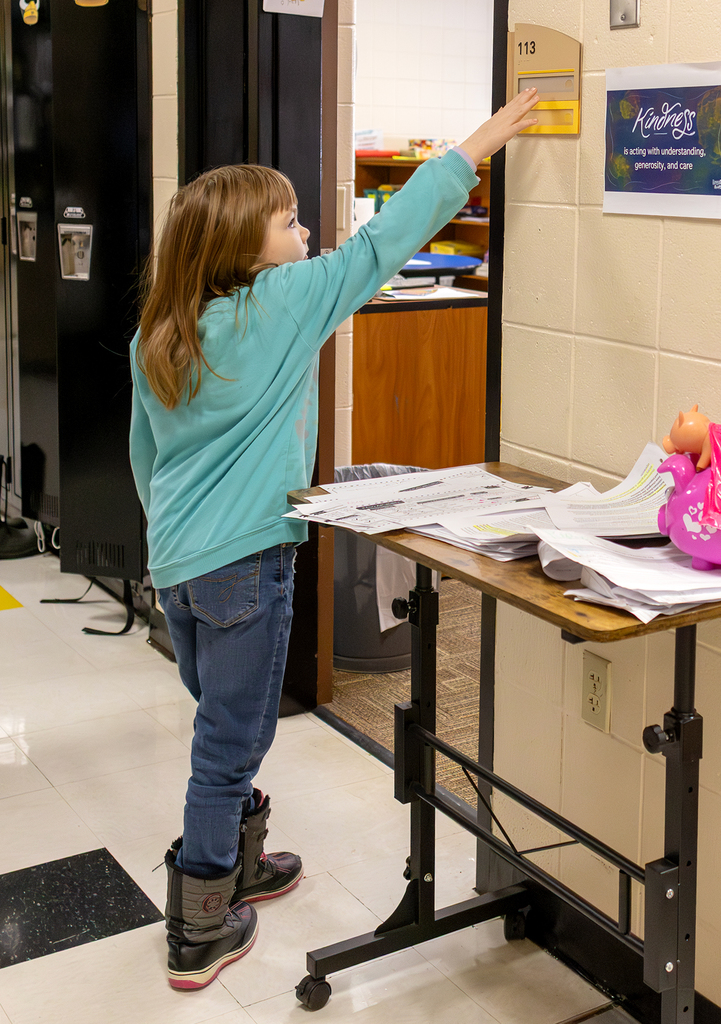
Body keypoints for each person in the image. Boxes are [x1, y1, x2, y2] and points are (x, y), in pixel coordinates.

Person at [128, 88, 540, 992]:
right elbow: (382, 244)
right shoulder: (282, 303)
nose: (305, 231)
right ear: (243, 249)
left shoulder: (161, 331)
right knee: (229, 741)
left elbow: (143, 457)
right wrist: (473, 146)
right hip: (246, 559)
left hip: (179, 562)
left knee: (219, 717)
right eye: (288, 221)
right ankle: (199, 923)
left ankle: (238, 865)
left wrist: (171, 548)